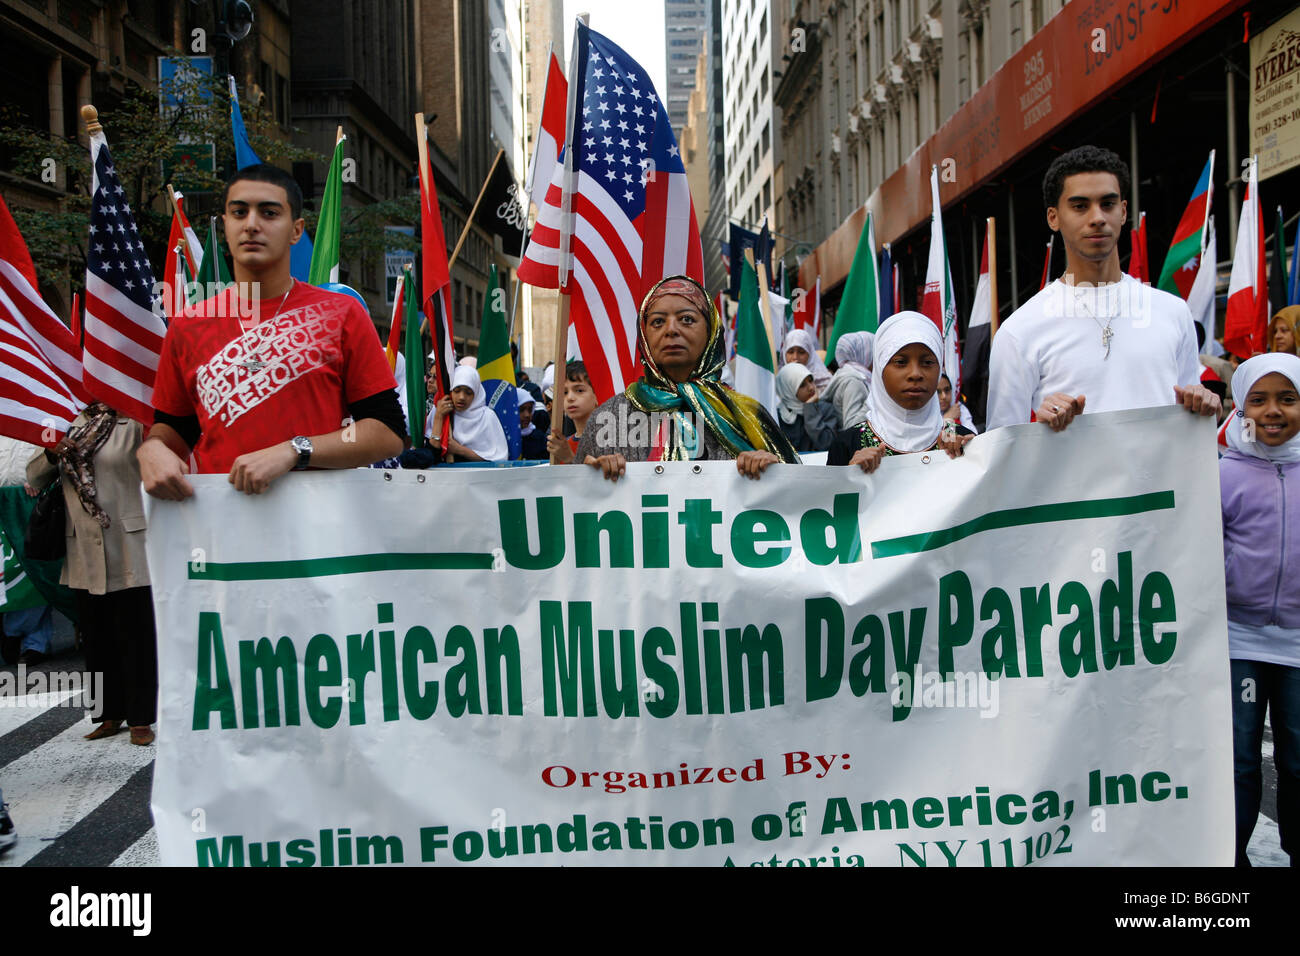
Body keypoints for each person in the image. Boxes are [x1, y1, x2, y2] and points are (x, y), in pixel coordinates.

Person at [138, 164, 405, 500]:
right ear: (225, 225)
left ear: (296, 230)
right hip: (222, 528)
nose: (251, 224)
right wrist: (152, 448)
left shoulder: (340, 314)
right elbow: (175, 430)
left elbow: (388, 431)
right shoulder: (188, 324)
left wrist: (296, 450)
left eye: (269, 213)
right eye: (239, 212)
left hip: (320, 529)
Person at [986, 146, 1220, 431]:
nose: (1097, 217)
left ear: (1123, 212)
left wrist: (1206, 405)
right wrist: (1041, 428)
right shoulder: (1019, 331)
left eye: (1107, 204)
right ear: (1053, 217)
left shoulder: (1172, 312)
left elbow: (1189, 423)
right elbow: (1004, 447)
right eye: (1080, 206)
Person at [577, 275, 799, 480]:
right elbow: (578, 507)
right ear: (644, 336)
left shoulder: (748, 416)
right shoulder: (606, 420)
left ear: (711, 330)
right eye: (657, 322)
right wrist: (592, 479)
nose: (671, 330)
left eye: (686, 319)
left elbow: (795, 499)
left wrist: (773, 470)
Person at [26, 404, 157, 745]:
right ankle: (108, 714)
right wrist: (51, 453)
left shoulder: (135, 423)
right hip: (83, 547)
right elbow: (34, 476)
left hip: (129, 542)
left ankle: (141, 717)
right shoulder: (69, 423)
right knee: (96, 636)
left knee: (136, 634)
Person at [1219, 352, 1300, 866]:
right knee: (1240, 759)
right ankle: (1230, 857)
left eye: (1288, 399)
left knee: (1296, 762)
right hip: (1237, 641)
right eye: (1260, 399)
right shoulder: (1223, 473)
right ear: (1240, 406)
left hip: (1297, 648)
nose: (1274, 411)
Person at [828, 312, 973, 469]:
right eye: (901, 362)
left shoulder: (964, 442)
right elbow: (829, 493)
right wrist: (849, 476)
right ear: (880, 368)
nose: (915, 374)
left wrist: (973, 457)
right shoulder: (847, 445)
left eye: (928, 362)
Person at [427, 366, 509, 462]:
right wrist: (438, 417)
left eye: (468, 393)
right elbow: (429, 452)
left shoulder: (487, 417)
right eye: (457, 391)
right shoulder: (442, 411)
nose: (462, 397)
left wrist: (460, 450)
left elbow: (499, 459)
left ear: (476, 394)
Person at [775, 363, 841, 452]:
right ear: (788, 389)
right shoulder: (779, 415)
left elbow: (826, 444)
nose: (810, 387)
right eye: (802, 385)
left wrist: (810, 409)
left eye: (811, 381)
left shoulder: (825, 409)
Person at [547, 362, 599, 463]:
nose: (570, 398)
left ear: (597, 395)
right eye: (565, 392)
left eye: (579, 390)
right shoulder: (562, 446)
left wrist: (569, 459)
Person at [822, 331, 872, 427]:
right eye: (872, 353)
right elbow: (851, 426)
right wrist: (873, 400)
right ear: (864, 354)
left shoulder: (846, 372)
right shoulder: (854, 382)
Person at [517, 388, 549, 460]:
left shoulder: (540, 439)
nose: (527, 415)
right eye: (521, 410)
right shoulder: (500, 437)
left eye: (530, 409)